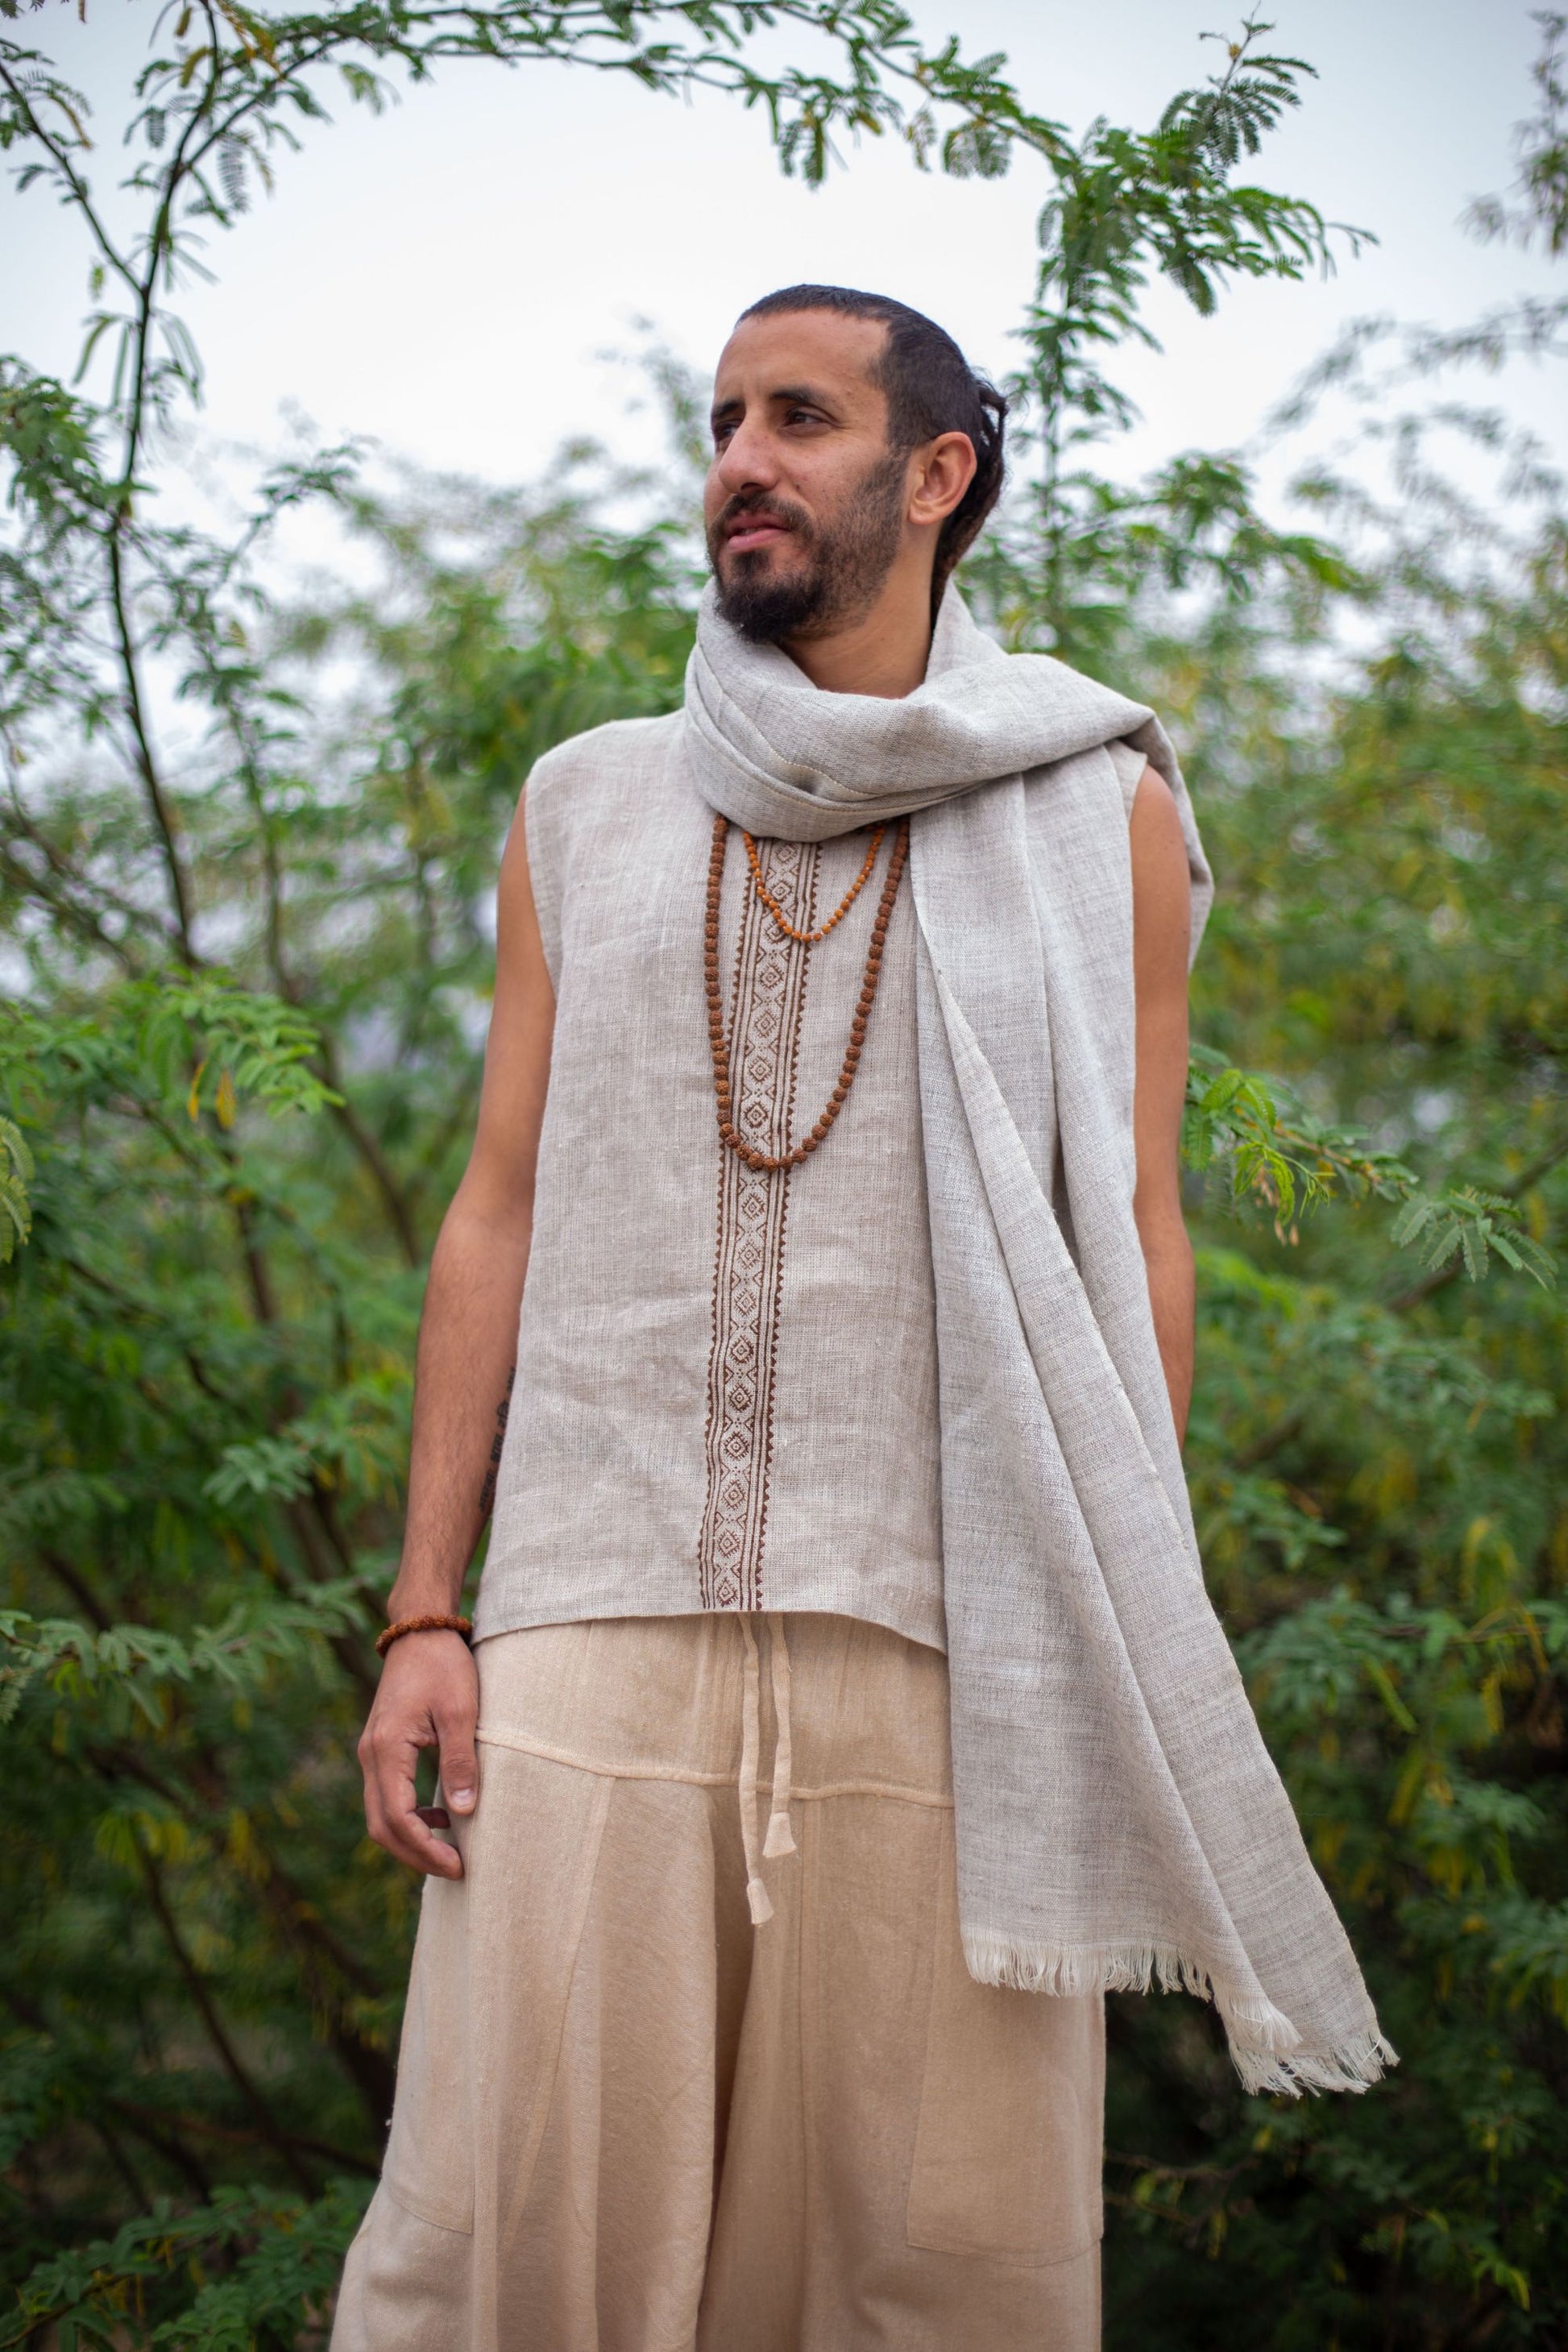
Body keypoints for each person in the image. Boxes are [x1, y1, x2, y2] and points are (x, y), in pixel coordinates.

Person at [332, 286, 1389, 2352]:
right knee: (516, 2251)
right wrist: (422, 1609)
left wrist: (1121, 1612)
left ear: (933, 476)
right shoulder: (582, 804)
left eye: (796, 416)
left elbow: (1134, 1232)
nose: (739, 456)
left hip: (950, 1638)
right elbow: (500, 1203)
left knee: (927, 2277)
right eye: (721, 417)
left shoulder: (1102, 814)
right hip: (588, 1620)